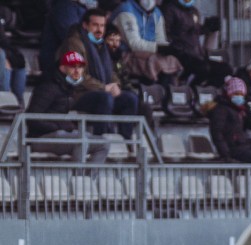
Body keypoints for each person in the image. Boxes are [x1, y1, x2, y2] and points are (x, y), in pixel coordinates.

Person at [60, 7, 140, 139]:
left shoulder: (101, 44)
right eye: (95, 25)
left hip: (101, 92)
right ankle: (101, 141)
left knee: (130, 99)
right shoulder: (74, 43)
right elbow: (77, 75)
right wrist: (103, 88)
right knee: (105, 98)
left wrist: (116, 85)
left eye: (102, 25)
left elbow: (111, 70)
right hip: (77, 94)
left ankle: (125, 142)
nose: (99, 30)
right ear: (85, 25)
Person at [25, 50, 111, 163]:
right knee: (81, 141)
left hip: (59, 134)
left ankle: (90, 175)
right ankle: (79, 174)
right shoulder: (48, 87)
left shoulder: (67, 87)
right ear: (62, 68)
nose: (77, 71)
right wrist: (59, 127)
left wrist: (67, 127)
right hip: (40, 137)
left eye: (80, 67)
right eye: (72, 67)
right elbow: (31, 118)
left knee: (104, 144)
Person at [208, 75, 251, 163]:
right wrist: (225, 154)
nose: (239, 97)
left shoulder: (240, 109)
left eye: (241, 94)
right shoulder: (221, 109)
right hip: (233, 148)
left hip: (244, 143)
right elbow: (217, 133)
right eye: (236, 94)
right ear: (228, 94)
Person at [161, 0, 231, 88]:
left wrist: (207, 28)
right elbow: (164, 33)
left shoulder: (193, 11)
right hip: (180, 53)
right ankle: (191, 88)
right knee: (203, 68)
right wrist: (175, 46)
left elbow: (195, 31)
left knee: (225, 69)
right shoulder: (169, 9)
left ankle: (205, 90)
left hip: (196, 54)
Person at [111, 0, 183, 85]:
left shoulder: (157, 13)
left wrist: (171, 48)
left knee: (171, 59)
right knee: (156, 62)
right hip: (125, 55)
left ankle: (169, 90)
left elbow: (161, 40)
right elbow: (134, 44)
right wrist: (159, 48)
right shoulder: (126, 10)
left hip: (150, 53)